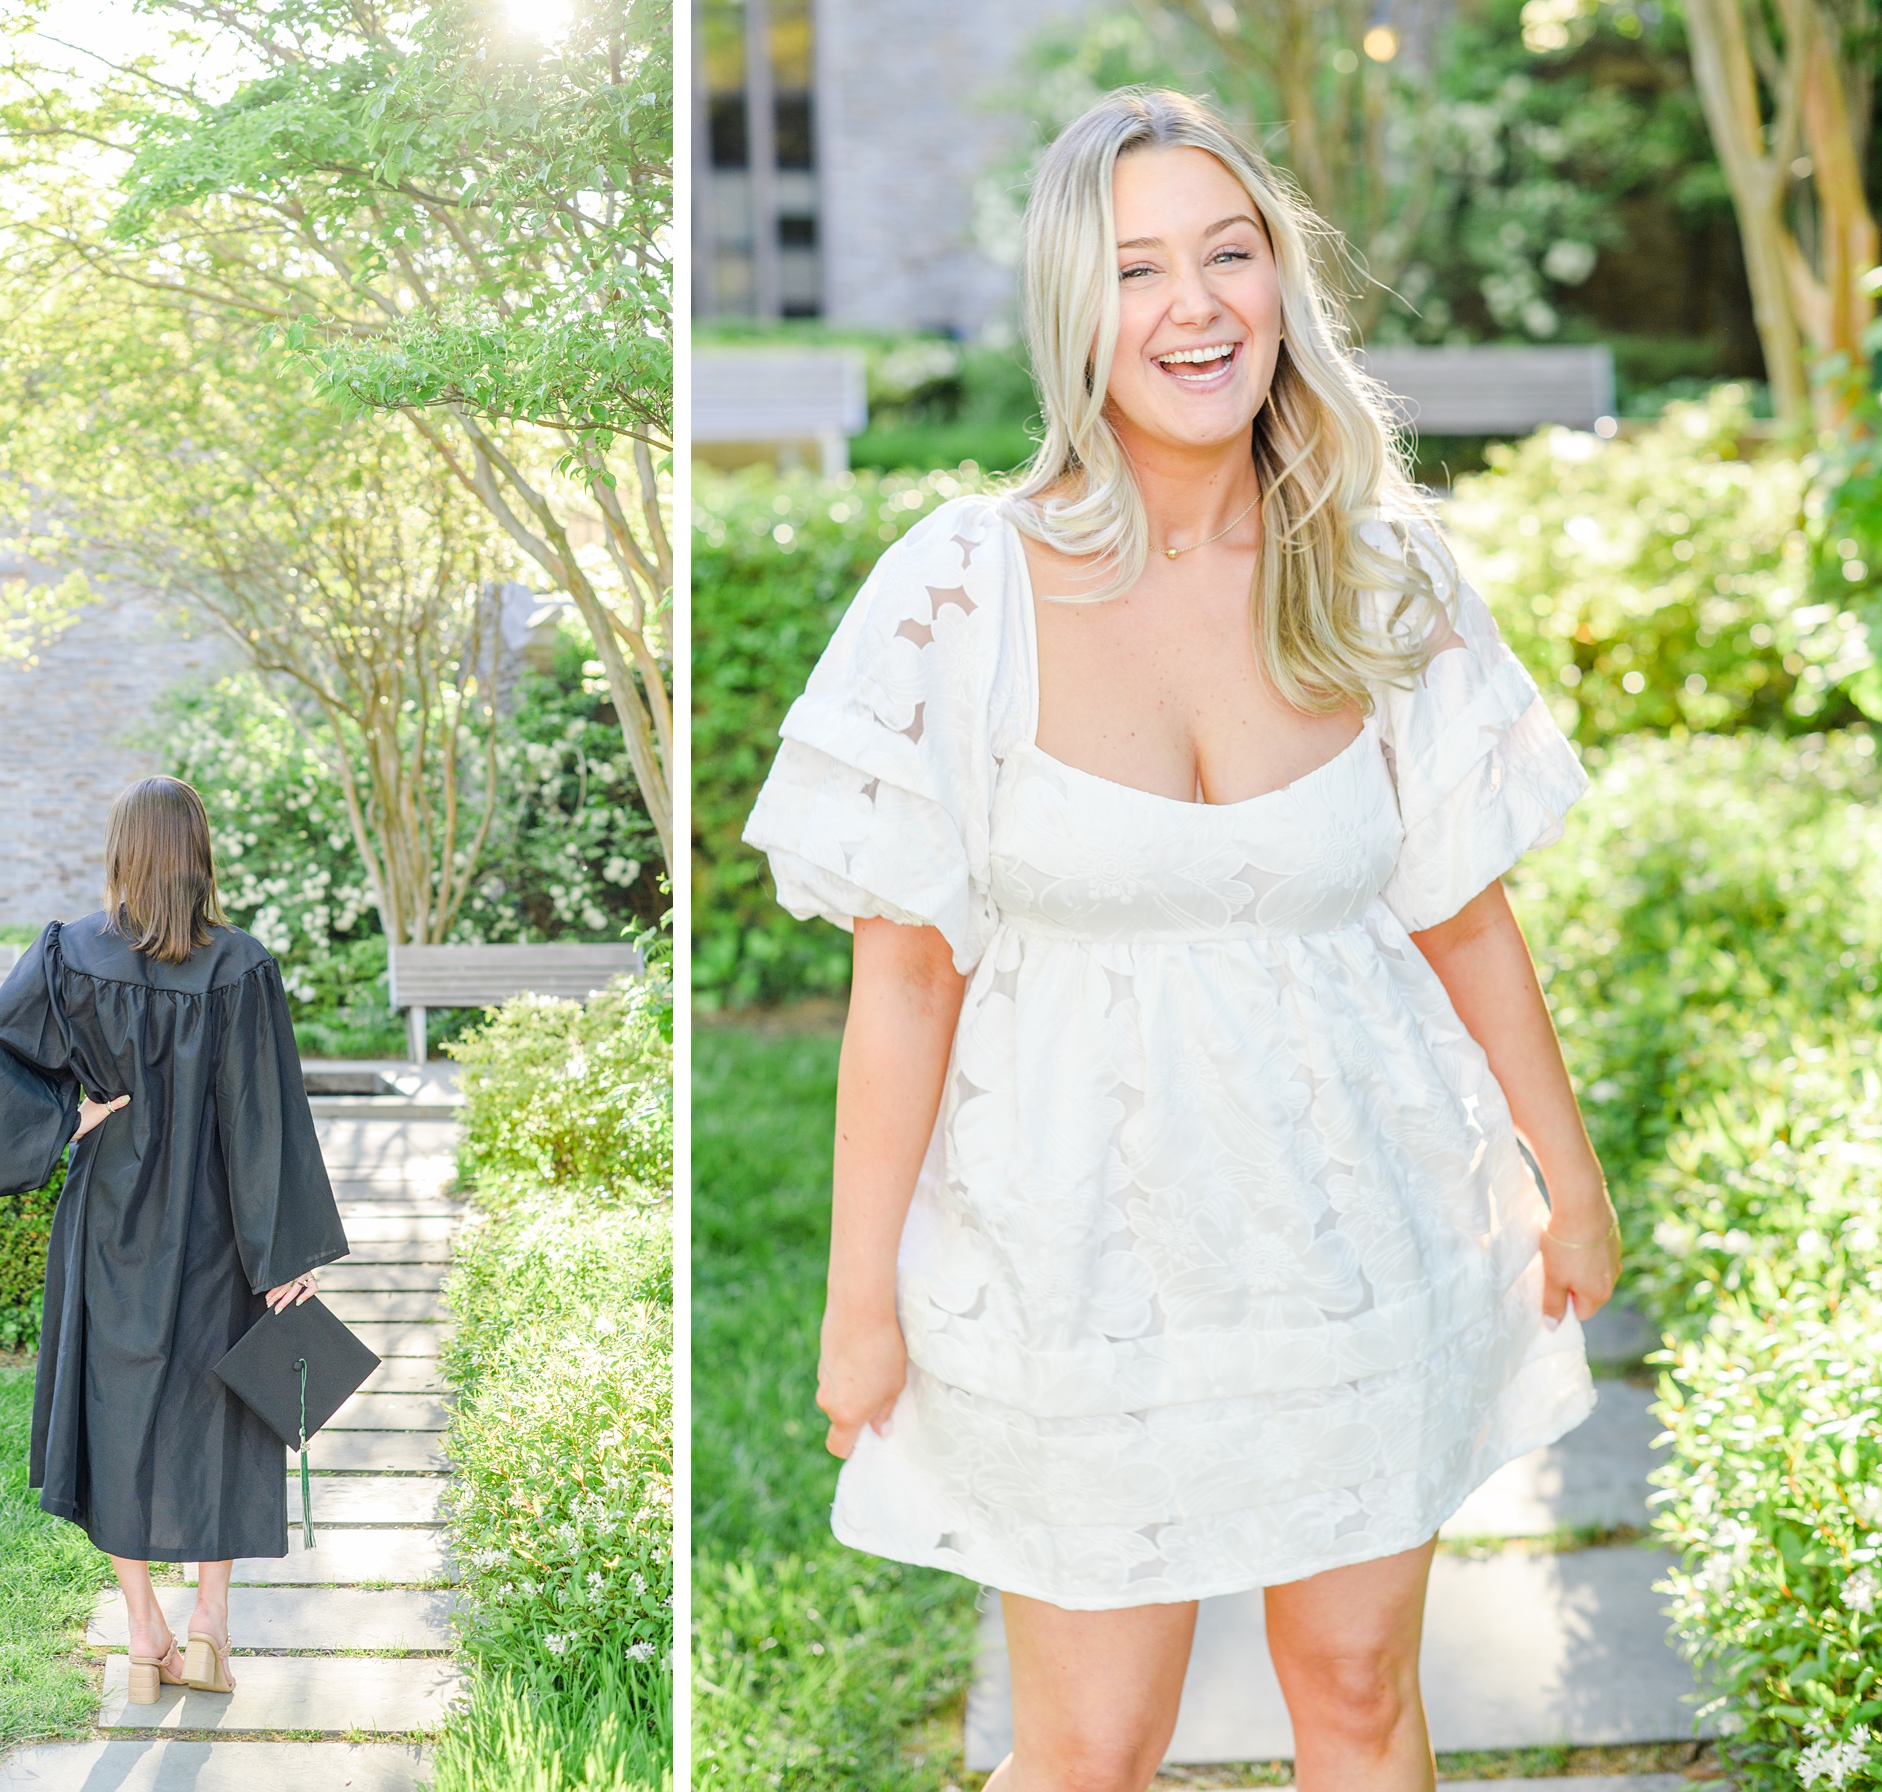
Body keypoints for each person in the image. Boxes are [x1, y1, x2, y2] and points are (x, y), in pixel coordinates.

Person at [741, 89, 1623, 1789]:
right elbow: (905, 984)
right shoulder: (960, 590)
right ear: (1076, 310)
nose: (1195, 306)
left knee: (1358, 1692)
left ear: (1283, 284)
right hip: (1074, 1253)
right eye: (1138, 267)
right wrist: (865, 1306)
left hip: (1355, 1227)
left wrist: (1565, 1176)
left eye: (1231, 253)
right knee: (1089, 1747)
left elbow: (1466, 911)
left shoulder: (1383, 574)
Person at [0, 775, 347, 1705]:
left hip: (112, 1223)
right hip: (221, 1226)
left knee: (119, 1413)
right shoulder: (241, 964)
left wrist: (69, 1118)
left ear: (125, 854)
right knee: (219, 1411)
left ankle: (145, 1638)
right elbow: (267, 1118)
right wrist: (283, 1251)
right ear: (199, 855)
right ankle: (210, 1627)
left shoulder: (69, 954)